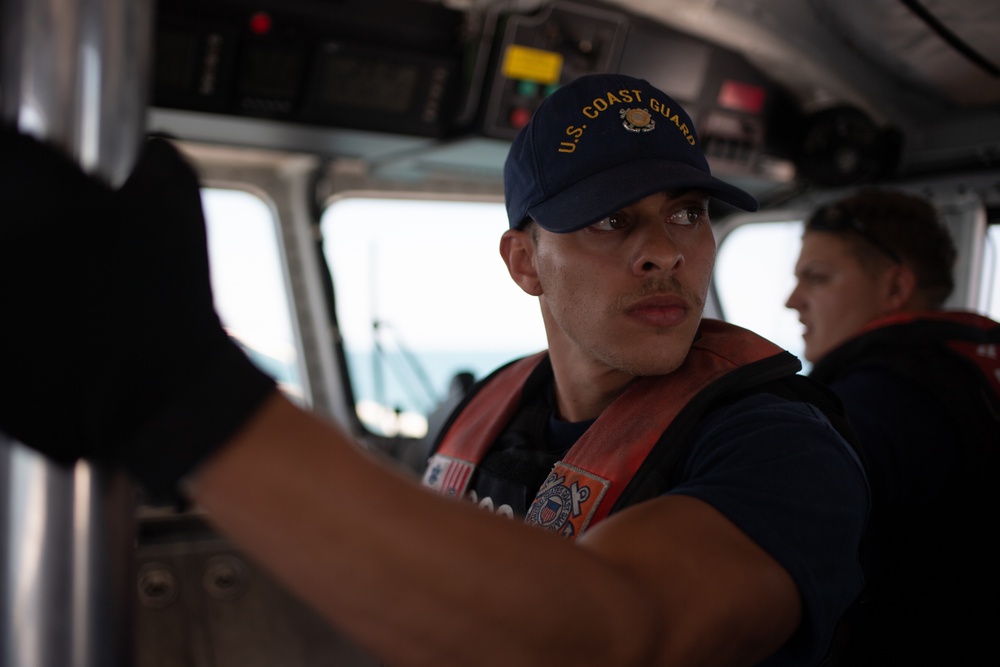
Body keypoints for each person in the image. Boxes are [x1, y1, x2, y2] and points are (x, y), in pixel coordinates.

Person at [0, 73, 868, 667]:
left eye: (686, 213)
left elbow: (620, 633)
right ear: (525, 263)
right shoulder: (484, 413)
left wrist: (177, 399)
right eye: (610, 221)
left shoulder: (781, 448)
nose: (663, 253)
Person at [785, 188, 1000, 666]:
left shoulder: (881, 402)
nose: (792, 300)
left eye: (816, 278)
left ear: (895, 288)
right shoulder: (969, 374)